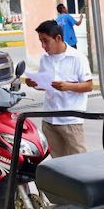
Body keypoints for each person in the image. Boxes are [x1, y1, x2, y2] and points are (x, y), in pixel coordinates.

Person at [25, 20, 93, 157]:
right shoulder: (45, 59)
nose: (43, 46)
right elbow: (45, 85)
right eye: (40, 41)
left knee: (80, 161)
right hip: (49, 119)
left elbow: (89, 85)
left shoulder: (78, 58)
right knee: (58, 163)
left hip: (71, 120)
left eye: (45, 41)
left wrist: (68, 86)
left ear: (58, 38)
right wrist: (34, 83)